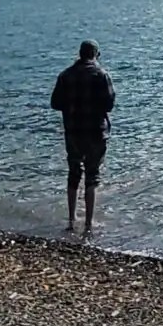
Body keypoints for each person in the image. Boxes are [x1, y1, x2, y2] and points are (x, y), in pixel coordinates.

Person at [49, 39, 116, 240]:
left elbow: (54, 103)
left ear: (79, 54)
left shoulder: (65, 75)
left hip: (73, 131)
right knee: (92, 176)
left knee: (74, 173)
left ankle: (71, 220)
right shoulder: (102, 75)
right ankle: (88, 223)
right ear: (96, 54)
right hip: (96, 132)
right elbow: (110, 104)